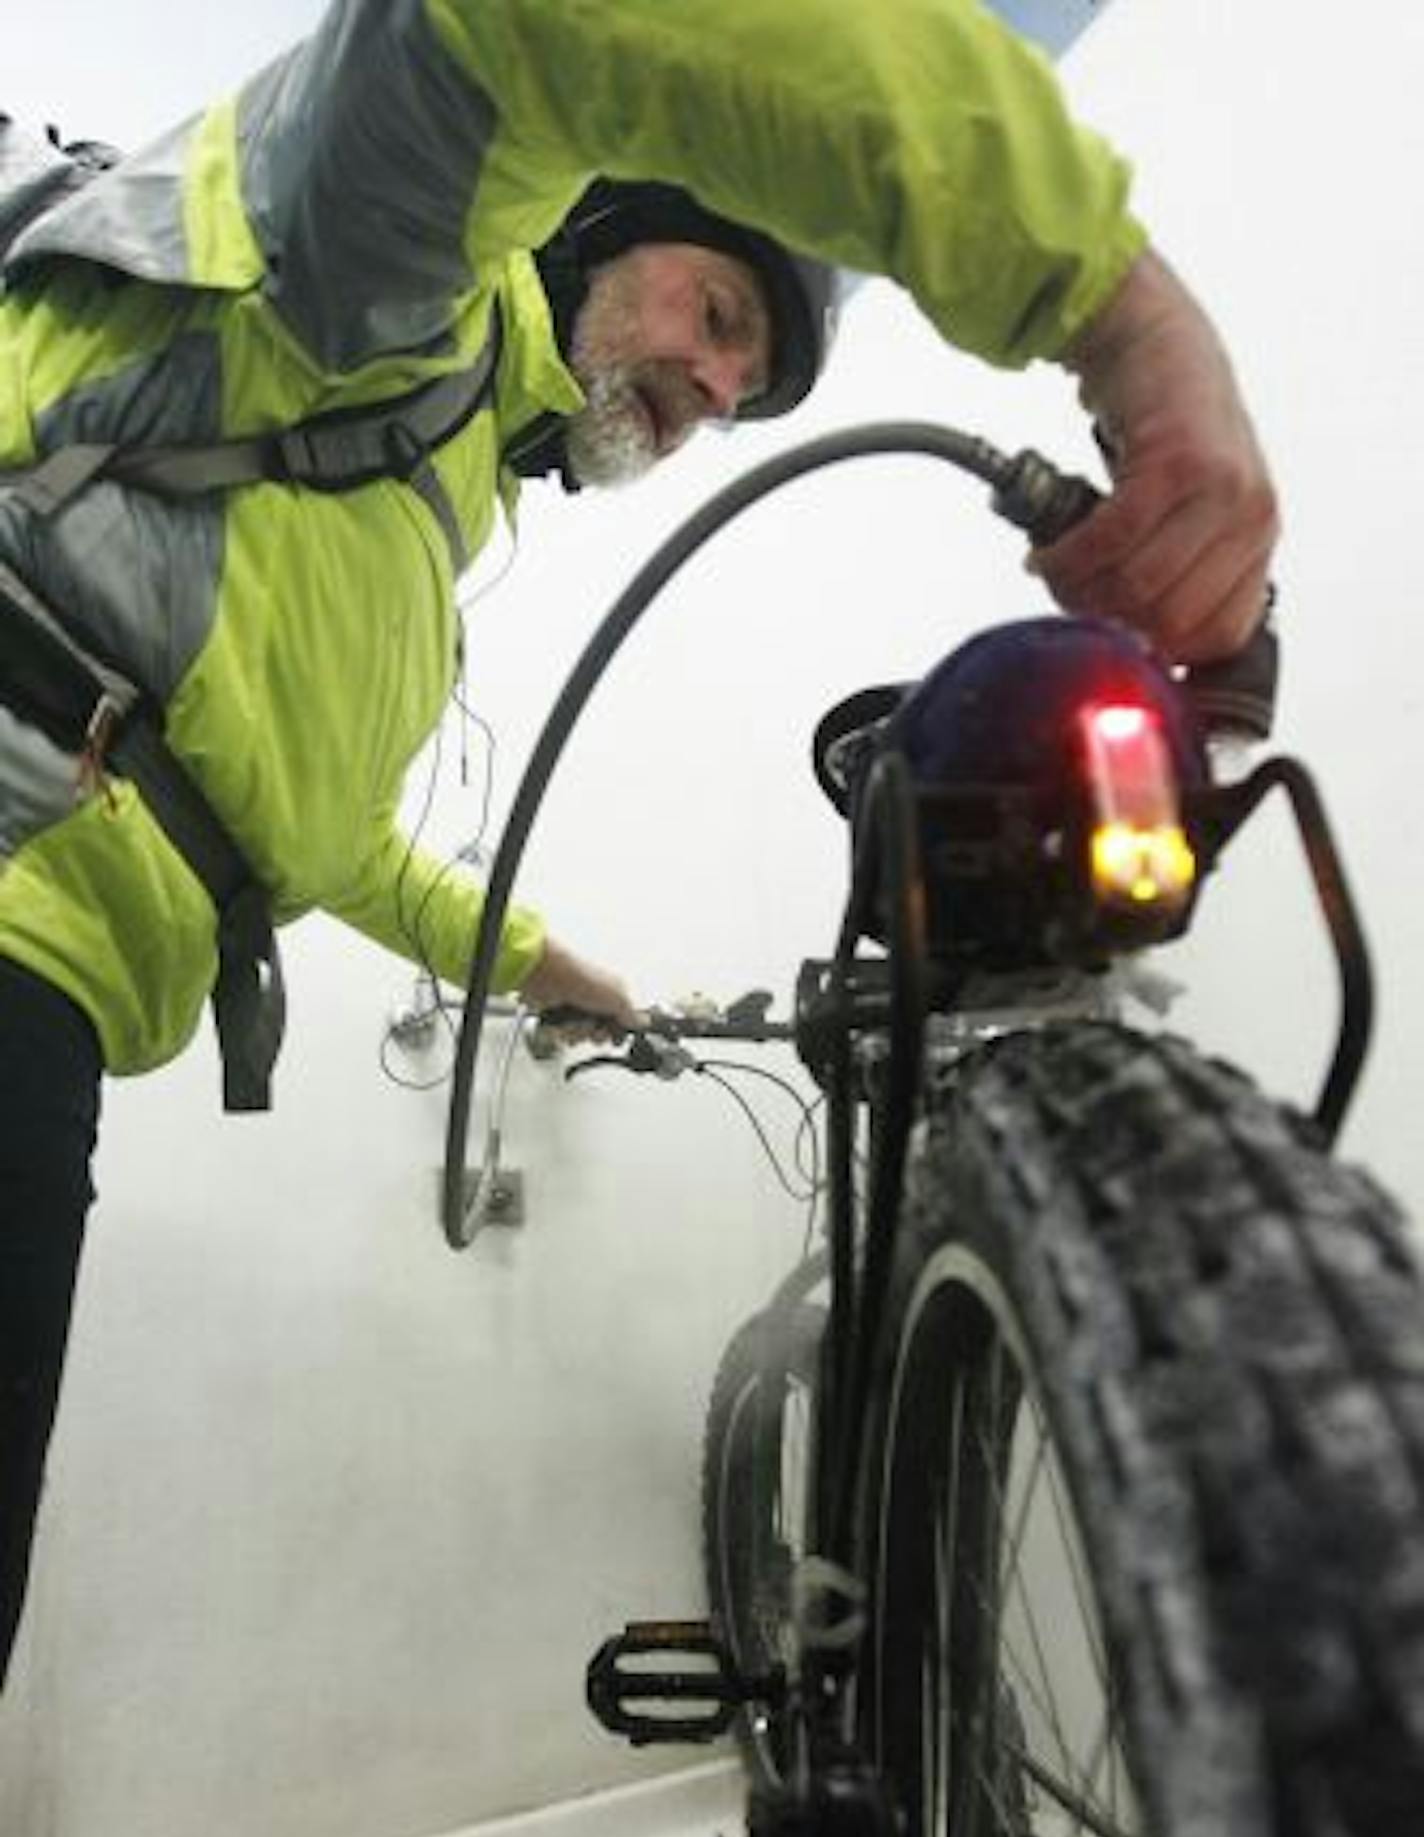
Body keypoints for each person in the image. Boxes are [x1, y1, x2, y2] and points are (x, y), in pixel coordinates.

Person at [0, 0, 1278, 1693]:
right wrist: (1123, 317)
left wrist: (547, 964)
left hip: (54, 970)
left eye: (747, 380)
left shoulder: (440, 483)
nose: (723, 381)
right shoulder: (376, 280)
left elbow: (308, 829)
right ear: (594, 217)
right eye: (724, 308)